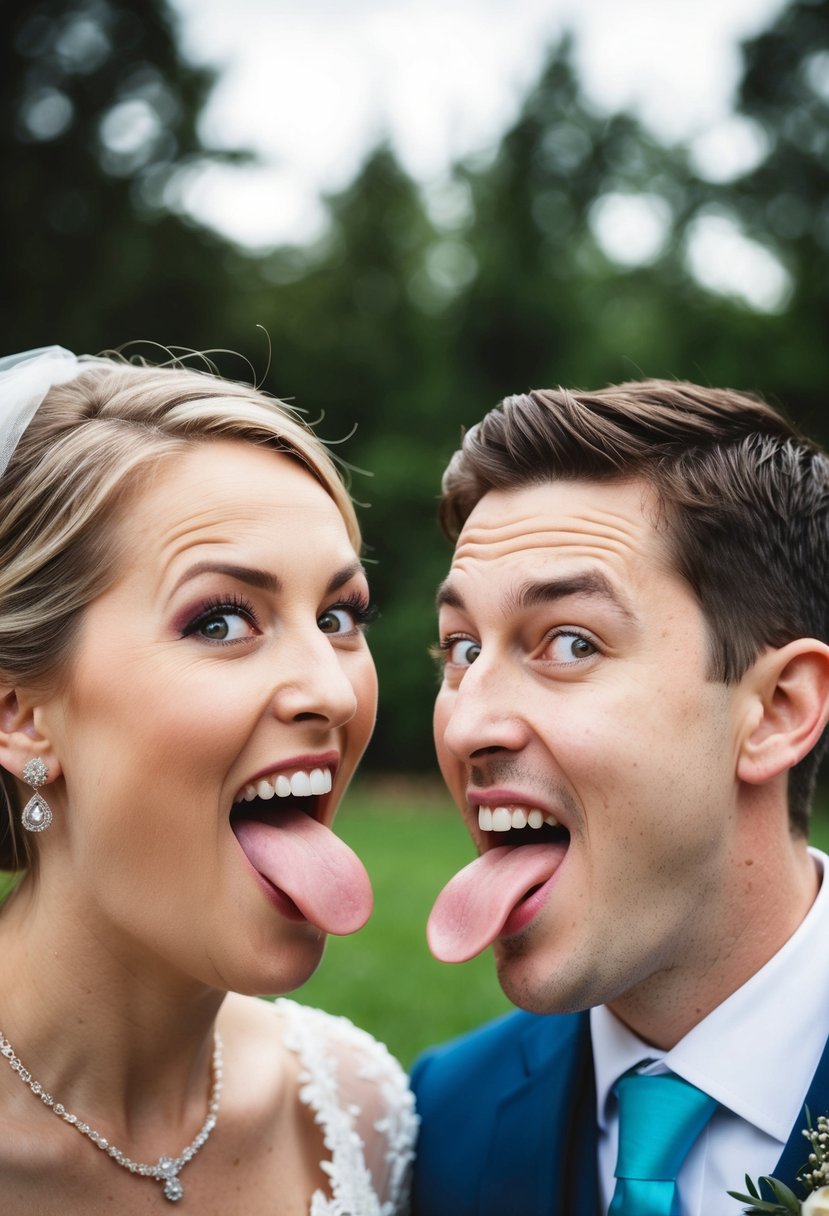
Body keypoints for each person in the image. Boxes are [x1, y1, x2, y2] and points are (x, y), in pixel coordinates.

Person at [0, 346, 416, 1214]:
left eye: (340, 616)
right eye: (222, 619)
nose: (333, 692)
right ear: (19, 712)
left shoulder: (355, 1111)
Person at [410, 380, 829, 1216]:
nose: (466, 727)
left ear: (777, 711)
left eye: (568, 642)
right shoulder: (444, 1114)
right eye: (460, 649)